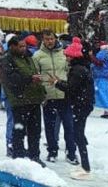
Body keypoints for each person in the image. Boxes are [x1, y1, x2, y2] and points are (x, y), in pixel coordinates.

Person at [0, 35, 47, 165]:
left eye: (24, 46)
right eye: (20, 46)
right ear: (12, 46)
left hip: (34, 99)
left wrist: (42, 92)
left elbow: (34, 74)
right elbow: (12, 80)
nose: (23, 49)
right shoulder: (6, 60)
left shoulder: (28, 57)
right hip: (19, 100)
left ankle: (34, 155)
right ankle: (18, 156)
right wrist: (30, 79)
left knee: (35, 131)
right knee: (19, 130)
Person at [54, 38, 95, 180]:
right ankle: (85, 164)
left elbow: (71, 88)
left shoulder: (77, 70)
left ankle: (86, 167)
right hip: (83, 104)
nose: (66, 58)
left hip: (80, 105)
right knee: (79, 133)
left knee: (78, 134)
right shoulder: (83, 68)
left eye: (67, 56)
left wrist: (57, 83)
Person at [33, 29, 75, 164]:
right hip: (48, 96)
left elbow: (70, 72)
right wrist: (40, 94)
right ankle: (52, 151)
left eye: (51, 39)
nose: (49, 41)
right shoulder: (37, 56)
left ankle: (71, 153)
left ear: (55, 39)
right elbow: (36, 76)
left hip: (64, 94)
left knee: (69, 126)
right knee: (50, 127)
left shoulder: (64, 53)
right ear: (43, 40)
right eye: (46, 39)